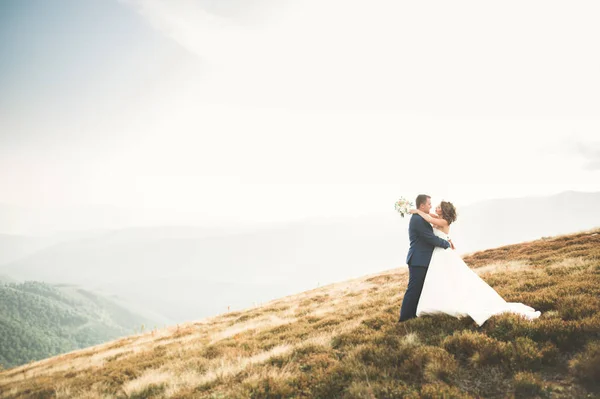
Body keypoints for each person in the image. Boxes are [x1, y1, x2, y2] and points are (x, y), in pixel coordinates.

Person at [410, 200, 541, 326]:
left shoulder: (443, 221)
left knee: (449, 277)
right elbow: (429, 216)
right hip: (439, 252)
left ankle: (450, 302)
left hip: (443, 253)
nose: (435, 208)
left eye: (438, 207)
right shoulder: (439, 217)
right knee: (444, 277)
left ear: (443, 211)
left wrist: (416, 211)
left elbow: (429, 219)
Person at [399, 194, 451, 322]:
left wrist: (447, 239)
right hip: (418, 260)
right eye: (429, 204)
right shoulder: (417, 219)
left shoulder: (422, 217)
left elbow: (434, 222)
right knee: (413, 289)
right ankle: (404, 318)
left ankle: (414, 315)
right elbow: (430, 238)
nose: (431, 206)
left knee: (420, 289)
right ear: (422, 205)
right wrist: (446, 243)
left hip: (423, 259)